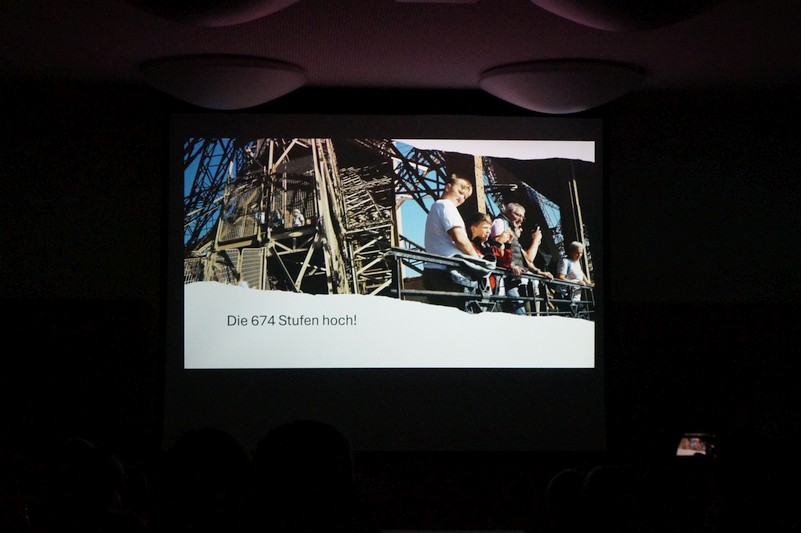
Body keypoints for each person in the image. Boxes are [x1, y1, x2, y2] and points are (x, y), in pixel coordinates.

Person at [422, 174, 481, 309]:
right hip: (448, 271)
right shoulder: (447, 205)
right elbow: (459, 237)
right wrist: (476, 258)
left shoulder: (435, 207)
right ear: (448, 187)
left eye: (465, 197)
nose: (461, 198)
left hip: (432, 269)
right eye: (460, 192)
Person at [490, 202, 553, 315]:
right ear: (507, 212)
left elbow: (526, 259)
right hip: (505, 278)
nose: (521, 220)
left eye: (522, 217)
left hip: (512, 278)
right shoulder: (500, 222)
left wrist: (538, 272)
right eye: (518, 215)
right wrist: (511, 265)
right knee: (520, 313)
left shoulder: (510, 230)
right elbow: (498, 247)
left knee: (520, 313)